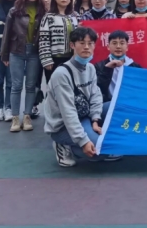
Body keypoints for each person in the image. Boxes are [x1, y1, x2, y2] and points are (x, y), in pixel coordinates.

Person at [44, 26, 122, 167]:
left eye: (90, 43)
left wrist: (95, 120)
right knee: (99, 151)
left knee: (116, 107)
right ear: (72, 45)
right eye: (82, 43)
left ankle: (91, 138)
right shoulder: (61, 74)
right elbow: (68, 112)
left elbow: (96, 96)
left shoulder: (90, 68)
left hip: (84, 116)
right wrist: (83, 141)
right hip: (62, 126)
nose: (86, 47)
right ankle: (64, 144)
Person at [1, 0, 46, 131]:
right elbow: (7, 33)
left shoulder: (43, 11)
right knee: (16, 85)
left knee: (31, 86)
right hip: (16, 50)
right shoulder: (14, 10)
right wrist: (4, 55)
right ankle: (15, 118)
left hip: (35, 52)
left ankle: (27, 116)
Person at [39, 0, 80, 84]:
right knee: (54, 87)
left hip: (72, 58)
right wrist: (46, 60)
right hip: (54, 59)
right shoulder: (48, 17)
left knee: (71, 85)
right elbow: (43, 40)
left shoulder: (75, 16)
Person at [95, 30, 143, 105]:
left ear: (127, 47)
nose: (118, 46)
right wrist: (106, 69)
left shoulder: (135, 67)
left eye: (122, 43)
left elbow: (142, 88)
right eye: (114, 43)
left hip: (130, 104)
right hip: (109, 104)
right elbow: (97, 89)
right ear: (108, 47)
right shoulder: (99, 66)